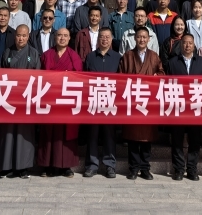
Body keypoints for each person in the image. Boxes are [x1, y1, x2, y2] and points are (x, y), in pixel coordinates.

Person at [119, 26, 164, 180]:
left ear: (149, 39)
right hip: (133, 102)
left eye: (144, 37)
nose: (142, 40)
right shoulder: (127, 56)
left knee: (147, 138)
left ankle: (145, 168)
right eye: (139, 37)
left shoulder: (154, 56)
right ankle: (133, 168)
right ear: (135, 38)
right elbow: (120, 77)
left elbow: (162, 73)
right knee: (132, 138)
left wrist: (157, 76)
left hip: (148, 102)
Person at [0, 25, 41, 178]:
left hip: (26, 99)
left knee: (24, 134)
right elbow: (1, 75)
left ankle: (23, 167)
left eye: (24, 35)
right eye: (18, 35)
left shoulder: (33, 53)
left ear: (28, 37)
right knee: (7, 133)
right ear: (14, 36)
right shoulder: (7, 52)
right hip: (9, 98)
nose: (21, 38)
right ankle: (6, 166)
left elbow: (37, 78)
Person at [38, 28, 83, 177]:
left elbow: (79, 79)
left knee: (66, 133)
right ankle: (47, 165)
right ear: (54, 37)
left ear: (70, 38)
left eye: (65, 36)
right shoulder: (46, 55)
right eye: (59, 35)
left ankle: (66, 166)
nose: (62, 38)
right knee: (48, 133)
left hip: (67, 101)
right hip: (49, 100)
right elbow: (40, 77)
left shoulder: (74, 57)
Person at [167, 34, 202, 181]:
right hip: (178, 106)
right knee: (177, 140)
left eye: (190, 43)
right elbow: (167, 84)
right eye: (185, 43)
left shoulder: (201, 62)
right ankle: (178, 169)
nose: (187, 46)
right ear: (181, 45)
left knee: (195, 140)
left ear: (194, 45)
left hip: (196, 107)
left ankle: (192, 169)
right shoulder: (173, 62)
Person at [83, 27, 121, 178]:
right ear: (97, 40)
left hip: (110, 102)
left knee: (109, 134)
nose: (104, 39)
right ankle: (91, 165)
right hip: (93, 101)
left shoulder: (118, 57)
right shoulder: (90, 57)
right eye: (102, 37)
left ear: (111, 40)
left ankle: (110, 165)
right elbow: (84, 79)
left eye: (107, 37)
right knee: (92, 134)